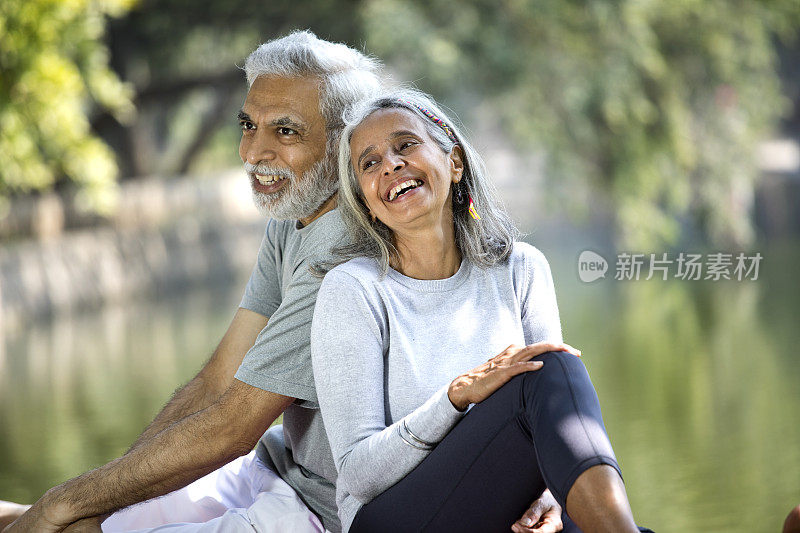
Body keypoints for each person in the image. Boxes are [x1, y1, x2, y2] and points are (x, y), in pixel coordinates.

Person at [1, 33, 565, 533]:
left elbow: (232, 425)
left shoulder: (348, 257)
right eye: (248, 124)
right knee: (47, 516)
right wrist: (95, 497)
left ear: (344, 141)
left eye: (285, 131)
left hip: (317, 510)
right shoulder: (293, 216)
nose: (253, 152)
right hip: (273, 469)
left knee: (67, 522)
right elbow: (218, 379)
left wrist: (68, 506)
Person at [310, 89, 647, 533]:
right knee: (543, 371)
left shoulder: (521, 268)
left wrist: (548, 500)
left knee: (555, 368)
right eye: (369, 163)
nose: (390, 164)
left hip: (501, 507)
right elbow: (358, 474)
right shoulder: (352, 291)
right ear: (367, 203)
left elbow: (556, 425)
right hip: (393, 519)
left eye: (406, 145)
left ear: (454, 162)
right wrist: (456, 397)